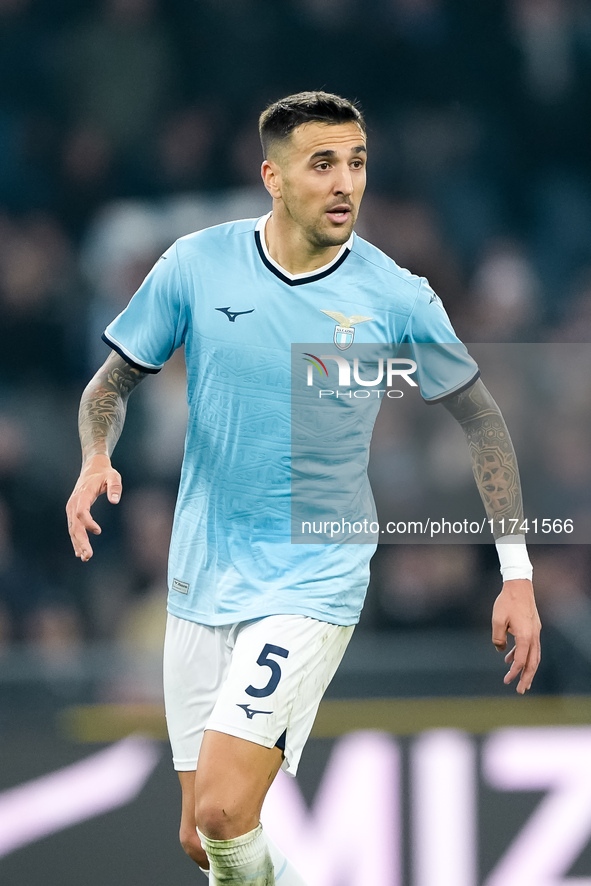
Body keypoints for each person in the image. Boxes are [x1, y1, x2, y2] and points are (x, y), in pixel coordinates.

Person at [66, 91, 541, 886]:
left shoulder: (393, 295)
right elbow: (109, 385)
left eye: (356, 163)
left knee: (222, 811)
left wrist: (517, 572)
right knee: (204, 835)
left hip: (310, 579)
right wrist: (93, 456)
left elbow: (483, 423)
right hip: (199, 576)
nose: (344, 182)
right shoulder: (195, 264)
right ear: (272, 177)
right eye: (322, 164)